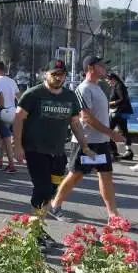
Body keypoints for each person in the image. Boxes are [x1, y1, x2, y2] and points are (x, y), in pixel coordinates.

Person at [13, 59, 92, 249]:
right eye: (54, 74)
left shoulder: (70, 96)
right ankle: (33, 233)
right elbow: (18, 118)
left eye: (61, 74)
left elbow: (75, 123)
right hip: (35, 150)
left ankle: (38, 229)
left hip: (57, 152)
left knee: (50, 191)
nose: (58, 77)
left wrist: (85, 145)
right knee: (41, 189)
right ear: (45, 74)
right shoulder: (34, 94)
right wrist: (17, 146)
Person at [48, 56, 126, 223]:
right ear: (90, 68)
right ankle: (54, 205)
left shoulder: (97, 87)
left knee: (106, 175)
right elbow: (87, 118)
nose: (104, 67)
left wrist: (107, 135)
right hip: (86, 143)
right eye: (101, 65)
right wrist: (112, 133)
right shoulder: (84, 89)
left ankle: (114, 216)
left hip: (101, 142)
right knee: (75, 175)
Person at [0, 60, 20, 173]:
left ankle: (11, 164)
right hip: (12, 111)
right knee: (5, 137)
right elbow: (19, 96)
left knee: (6, 137)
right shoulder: (12, 81)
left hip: (2, 112)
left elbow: (0, 98)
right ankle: (0, 160)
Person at [106, 73, 134, 160]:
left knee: (107, 130)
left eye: (109, 80)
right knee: (123, 131)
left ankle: (114, 151)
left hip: (118, 112)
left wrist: (111, 103)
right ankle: (128, 151)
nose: (108, 83)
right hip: (120, 112)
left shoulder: (118, 86)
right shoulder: (118, 85)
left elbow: (122, 99)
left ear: (113, 79)